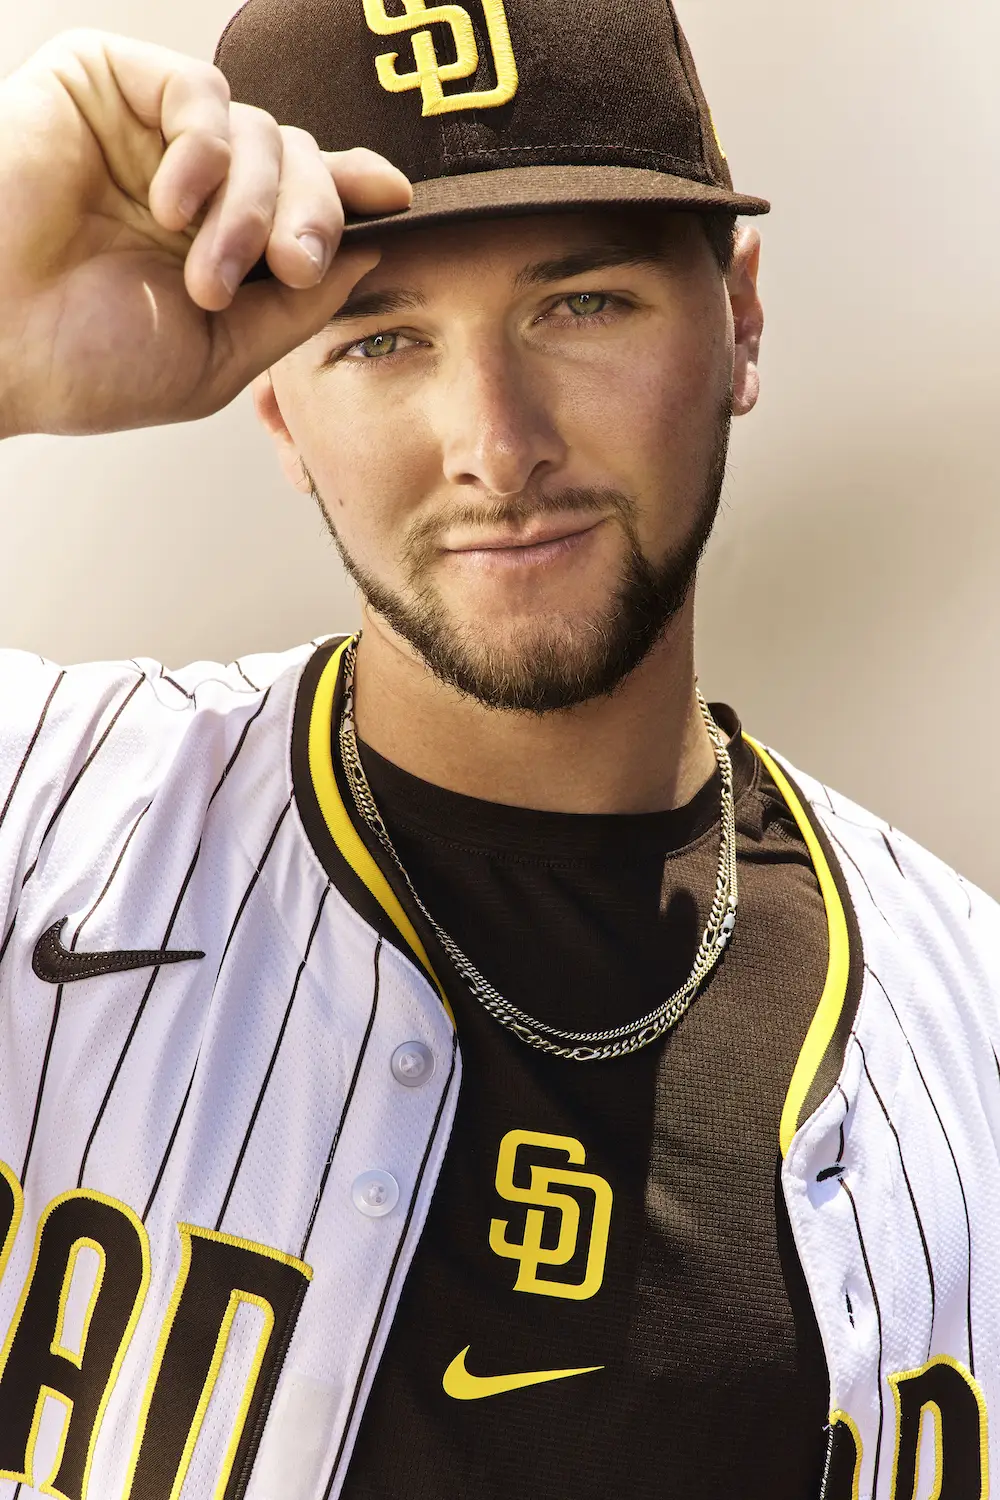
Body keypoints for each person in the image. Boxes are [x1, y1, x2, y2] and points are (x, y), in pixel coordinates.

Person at [0, 3, 995, 1498]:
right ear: (274, 406)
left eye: (579, 304)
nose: (495, 441)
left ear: (742, 318)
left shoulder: (973, 1032)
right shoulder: (39, 819)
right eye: (385, 337)